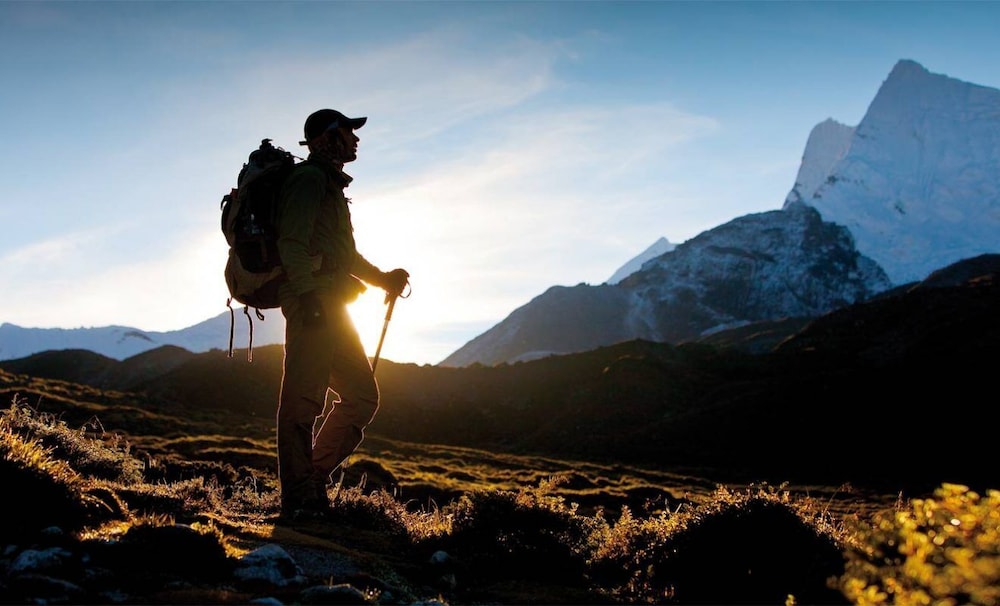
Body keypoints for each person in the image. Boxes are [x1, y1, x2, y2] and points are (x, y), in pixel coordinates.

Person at [274, 108, 409, 521]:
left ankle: (311, 483)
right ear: (327, 138)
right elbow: (291, 243)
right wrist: (308, 297)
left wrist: (383, 279)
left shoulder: (330, 187)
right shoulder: (309, 180)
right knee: (303, 399)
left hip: (332, 303)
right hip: (314, 303)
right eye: (349, 131)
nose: (356, 138)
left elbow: (344, 256)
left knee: (362, 396)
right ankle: (299, 498)